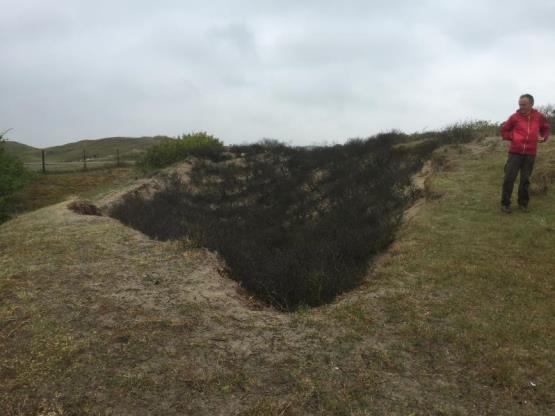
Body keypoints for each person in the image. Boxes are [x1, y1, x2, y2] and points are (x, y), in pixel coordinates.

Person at [499, 94, 550, 213]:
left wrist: (543, 136)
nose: (521, 107)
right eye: (520, 104)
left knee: (525, 180)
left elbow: (546, 128)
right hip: (515, 153)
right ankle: (505, 204)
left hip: (530, 153)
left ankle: (523, 204)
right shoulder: (514, 117)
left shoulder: (539, 116)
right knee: (509, 178)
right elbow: (504, 131)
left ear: (531, 104)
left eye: (524, 105)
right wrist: (513, 137)